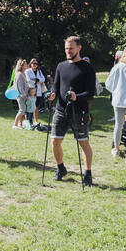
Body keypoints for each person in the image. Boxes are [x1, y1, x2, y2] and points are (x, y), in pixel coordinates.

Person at [47, 36, 96, 185]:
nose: (68, 51)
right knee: (55, 141)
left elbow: (90, 93)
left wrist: (77, 97)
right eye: (66, 48)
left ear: (79, 48)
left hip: (79, 112)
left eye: (71, 48)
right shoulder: (61, 66)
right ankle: (61, 168)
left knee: (83, 143)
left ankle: (87, 174)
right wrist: (52, 94)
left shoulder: (87, 68)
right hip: (61, 110)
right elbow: (56, 85)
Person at [26, 58, 48, 131]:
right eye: (33, 63)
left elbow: (43, 79)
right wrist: (37, 81)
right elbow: (28, 80)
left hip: (38, 91)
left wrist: (37, 80)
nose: (35, 65)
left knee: (36, 106)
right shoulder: (27, 71)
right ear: (30, 64)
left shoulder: (39, 71)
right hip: (31, 90)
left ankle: (36, 120)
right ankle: (28, 122)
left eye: (36, 64)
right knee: (29, 106)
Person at [11, 59, 30, 129]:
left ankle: (20, 124)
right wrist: (24, 95)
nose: (27, 64)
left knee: (23, 110)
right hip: (20, 95)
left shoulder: (24, 73)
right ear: (21, 66)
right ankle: (15, 124)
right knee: (22, 110)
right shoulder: (19, 74)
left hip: (24, 95)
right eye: (25, 64)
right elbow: (19, 87)